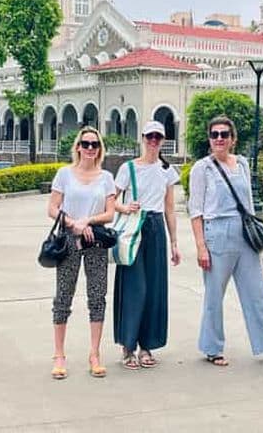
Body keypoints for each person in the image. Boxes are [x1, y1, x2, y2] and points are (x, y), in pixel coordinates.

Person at [188, 115, 263, 367]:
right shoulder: (202, 168)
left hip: (245, 232)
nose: (219, 139)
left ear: (233, 139)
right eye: (215, 134)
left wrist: (258, 246)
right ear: (209, 139)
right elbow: (195, 210)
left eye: (224, 134)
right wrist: (200, 247)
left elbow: (249, 206)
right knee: (214, 295)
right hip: (217, 233)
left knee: (258, 293)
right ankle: (212, 347)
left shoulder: (241, 164)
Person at [47, 126, 116, 380]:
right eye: (85, 144)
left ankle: (95, 353)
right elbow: (52, 208)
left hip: (96, 240)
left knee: (97, 296)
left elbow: (110, 214)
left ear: (99, 149)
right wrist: (73, 224)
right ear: (78, 147)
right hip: (68, 240)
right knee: (63, 295)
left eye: (94, 144)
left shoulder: (106, 177)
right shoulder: (65, 174)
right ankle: (59, 354)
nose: (90, 148)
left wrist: (88, 221)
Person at [113, 120, 182, 369]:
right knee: (134, 286)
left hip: (155, 228)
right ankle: (127, 345)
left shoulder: (166, 171)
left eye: (158, 137)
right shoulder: (128, 168)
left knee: (154, 288)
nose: (153, 141)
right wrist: (124, 206)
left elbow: (170, 209)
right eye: (149, 136)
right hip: (133, 227)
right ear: (142, 138)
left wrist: (174, 242)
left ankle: (147, 345)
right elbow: (111, 200)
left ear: (163, 140)